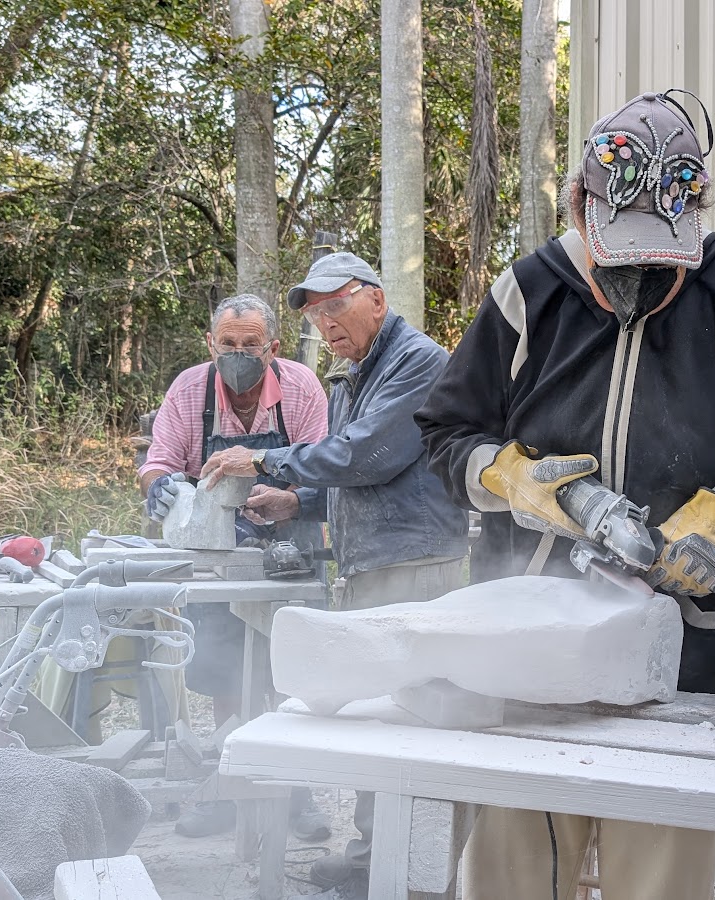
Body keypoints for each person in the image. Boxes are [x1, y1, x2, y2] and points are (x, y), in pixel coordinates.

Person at [416, 89, 715, 900]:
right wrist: (517, 483)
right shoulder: (529, 289)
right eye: (617, 260)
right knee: (511, 866)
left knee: (660, 871)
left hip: (685, 647)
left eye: (656, 264)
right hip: (527, 640)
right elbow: (443, 432)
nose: (633, 285)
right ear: (578, 204)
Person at [199, 252, 471, 897]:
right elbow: (355, 481)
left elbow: (369, 455)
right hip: (372, 562)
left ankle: (408, 870)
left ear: (376, 298)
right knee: (380, 718)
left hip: (412, 564)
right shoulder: (353, 376)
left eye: (336, 305)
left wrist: (266, 464)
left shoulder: (418, 363)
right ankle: (373, 855)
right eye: (316, 314)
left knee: (411, 720)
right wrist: (298, 502)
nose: (326, 323)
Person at [139, 293, 332, 840]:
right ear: (211, 344)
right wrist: (160, 487)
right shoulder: (189, 389)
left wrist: (287, 497)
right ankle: (229, 785)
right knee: (225, 664)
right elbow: (158, 460)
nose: (239, 354)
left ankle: (296, 794)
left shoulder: (300, 388)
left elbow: (323, 466)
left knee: (290, 671)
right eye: (229, 345)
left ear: (273, 347)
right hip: (216, 552)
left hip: (290, 541)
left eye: (251, 345)